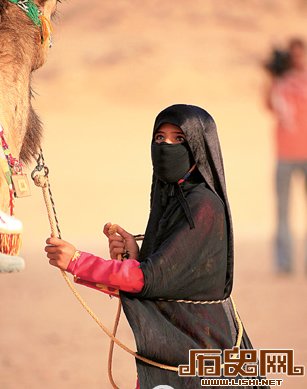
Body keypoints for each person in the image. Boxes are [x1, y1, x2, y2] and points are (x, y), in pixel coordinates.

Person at [45, 104, 269, 389]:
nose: (166, 146)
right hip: (173, 350)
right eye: (159, 139)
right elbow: (166, 277)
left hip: (203, 350)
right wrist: (135, 257)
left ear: (198, 147)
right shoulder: (172, 200)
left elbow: (148, 279)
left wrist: (77, 261)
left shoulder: (204, 206)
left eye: (179, 139)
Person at [265, 38, 307, 274]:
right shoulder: (279, 82)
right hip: (285, 154)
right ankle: (284, 263)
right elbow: (268, 105)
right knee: (282, 210)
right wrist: (272, 77)